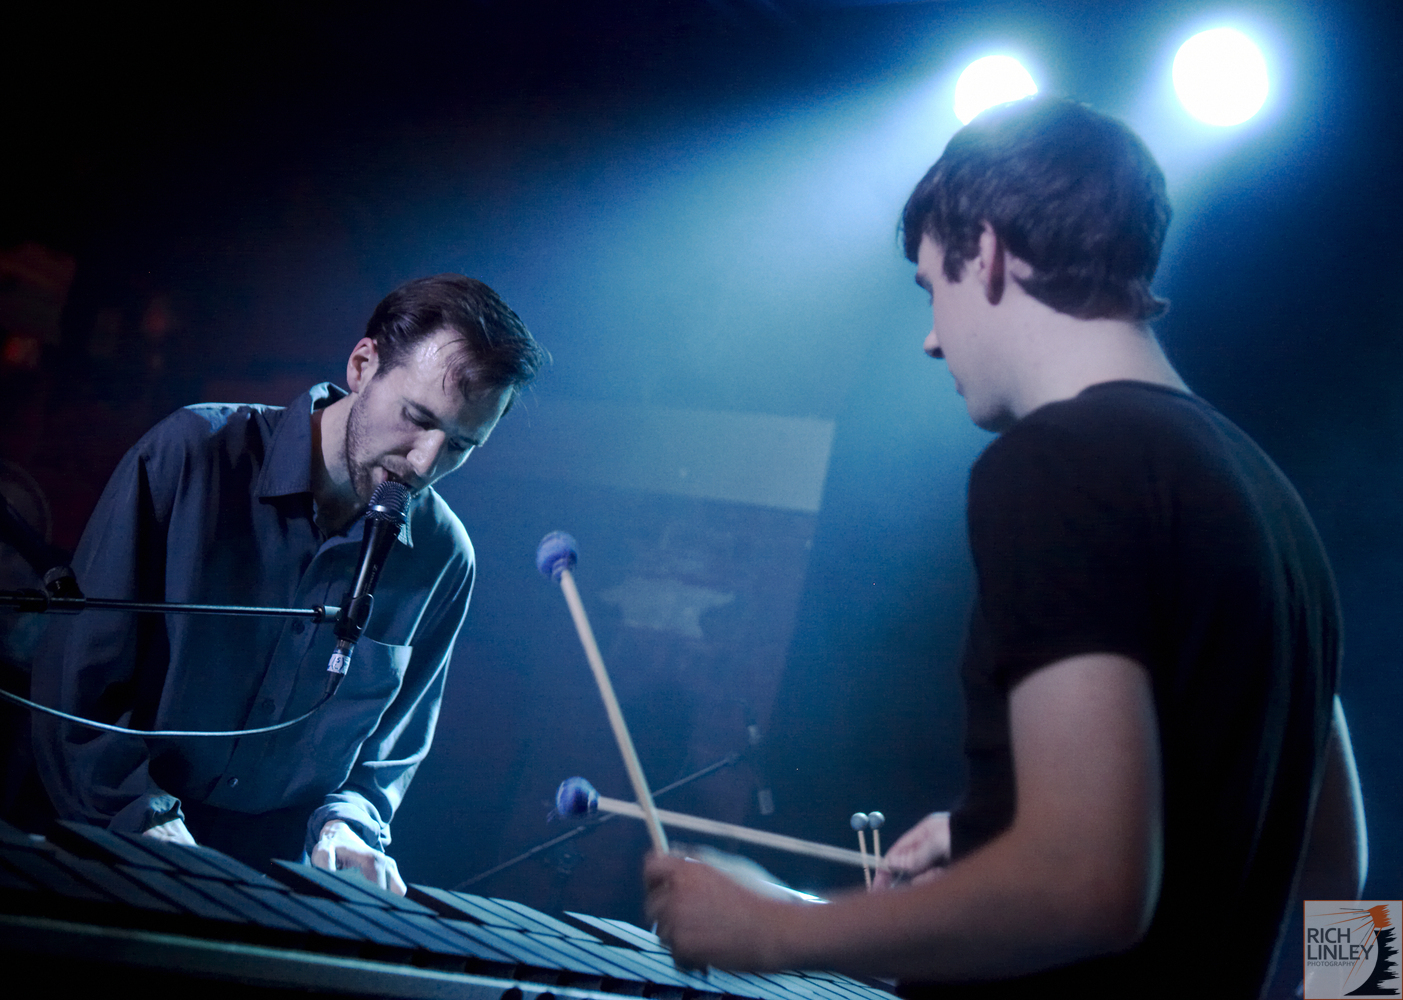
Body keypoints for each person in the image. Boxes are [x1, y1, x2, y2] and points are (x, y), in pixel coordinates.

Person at [644, 97, 1367, 997]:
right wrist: (993, 834)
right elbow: (1340, 870)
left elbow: (1087, 887)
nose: (931, 339)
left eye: (930, 288)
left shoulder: (1059, 462)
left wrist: (777, 927)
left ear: (984, 250)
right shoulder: (1271, 501)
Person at [32, 273, 545, 892]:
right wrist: (141, 819)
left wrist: (349, 826)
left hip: (267, 872)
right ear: (362, 366)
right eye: (416, 417)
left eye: (461, 445)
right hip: (102, 840)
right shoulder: (194, 454)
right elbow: (75, 686)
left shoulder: (444, 557)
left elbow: (388, 753)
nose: (424, 462)